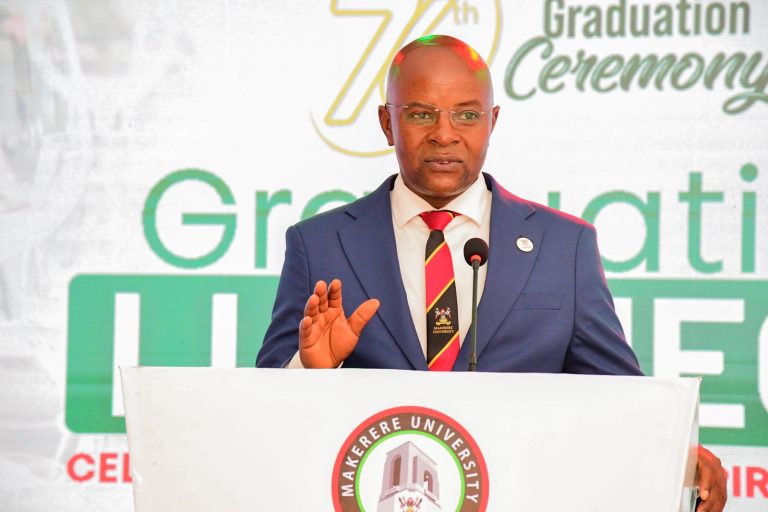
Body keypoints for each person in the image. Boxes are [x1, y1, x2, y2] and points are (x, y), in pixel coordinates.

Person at [256, 35, 726, 511]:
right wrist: (311, 370)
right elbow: (263, 410)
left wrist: (681, 453)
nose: (444, 134)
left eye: (466, 115)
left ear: (492, 122)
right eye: (421, 114)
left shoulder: (564, 246)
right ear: (386, 123)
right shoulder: (319, 244)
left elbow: (618, 394)